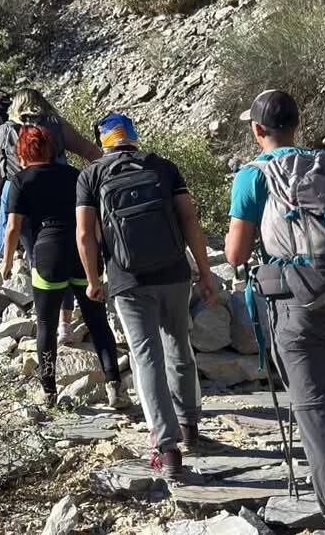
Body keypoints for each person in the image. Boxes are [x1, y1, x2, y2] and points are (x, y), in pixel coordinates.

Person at [225, 90, 325, 534]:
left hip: (298, 309)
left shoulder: (252, 176)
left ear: (258, 130)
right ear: (297, 124)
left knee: (318, 414)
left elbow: (235, 253)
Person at [75, 113, 217, 478]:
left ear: (103, 140)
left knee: (147, 357)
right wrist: (204, 271)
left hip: (128, 279)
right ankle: (190, 427)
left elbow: (84, 234)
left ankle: (167, 450)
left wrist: (93, 279)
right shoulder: (163, 167)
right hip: (174, 273)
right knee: (179, 345)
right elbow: (189, 220)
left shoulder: (91, 175)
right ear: (132, 137)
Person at [0, 124, 127, 409]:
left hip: (47, 255)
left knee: (45, 324)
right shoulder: (75, 175)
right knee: (96, 321)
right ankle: (115, 386)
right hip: (82, 253)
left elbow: (12, 228)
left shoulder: (21, 181)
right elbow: (91, 220)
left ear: (21, 152)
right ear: (51, 149)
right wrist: (99, 255)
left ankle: (48, 393)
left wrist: (6, 262)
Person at [0, 89, 102, 345]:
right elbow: (91, 152)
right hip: (63, 194)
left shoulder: (3, 131)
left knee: (37, 256)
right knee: (69, 252)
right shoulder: (56, 125)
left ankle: (45, 317)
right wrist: (92, 188)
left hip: (22, 198)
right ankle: (65, 323)